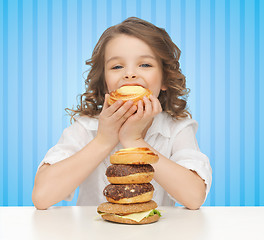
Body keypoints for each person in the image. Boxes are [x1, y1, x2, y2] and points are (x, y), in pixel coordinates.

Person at [32, 17, 212, 210]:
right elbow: (42, 197)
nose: (130, 74)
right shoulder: (86, 127)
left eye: (145, 65)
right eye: (117, 66)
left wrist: (135, 141)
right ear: (104, 83)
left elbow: (194, 198)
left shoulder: (176, 128)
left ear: (164, 80)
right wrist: (103, 139)